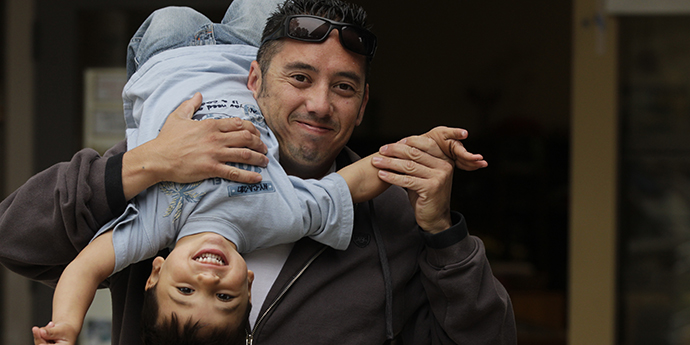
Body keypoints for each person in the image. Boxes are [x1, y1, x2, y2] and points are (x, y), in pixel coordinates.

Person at [0, 0, 515, 344]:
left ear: (362, 108)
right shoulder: (157, 171)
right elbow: (16, 240)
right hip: (205, 88)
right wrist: (147, 161)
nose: (319, 104)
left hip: (170, 59)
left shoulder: (395, 218)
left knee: (171, 21)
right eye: (299, 77)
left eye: (344, 88)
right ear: (256, 79)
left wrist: (442, 231)